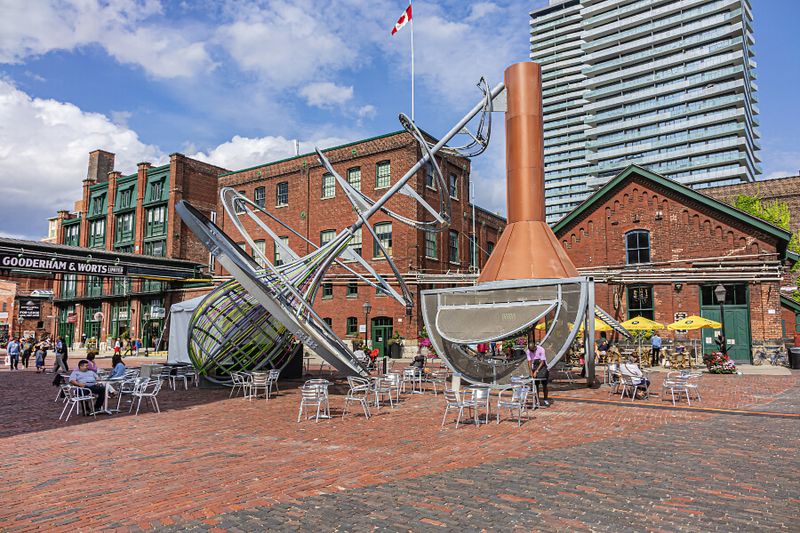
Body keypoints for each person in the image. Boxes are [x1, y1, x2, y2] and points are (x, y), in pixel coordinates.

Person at [527, 341, 550, 407]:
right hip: (535, 365)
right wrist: (531, 371)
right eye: (530, 350)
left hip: (542, 366)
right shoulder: (528, 351)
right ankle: (537, 400)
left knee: (544, 384)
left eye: (532, 350)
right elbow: (529, 361)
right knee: (535, 384)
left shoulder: (541, 349)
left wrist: (536, 371)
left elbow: (542, 361)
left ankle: (545, 399)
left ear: (535, 347)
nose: (532, 351)